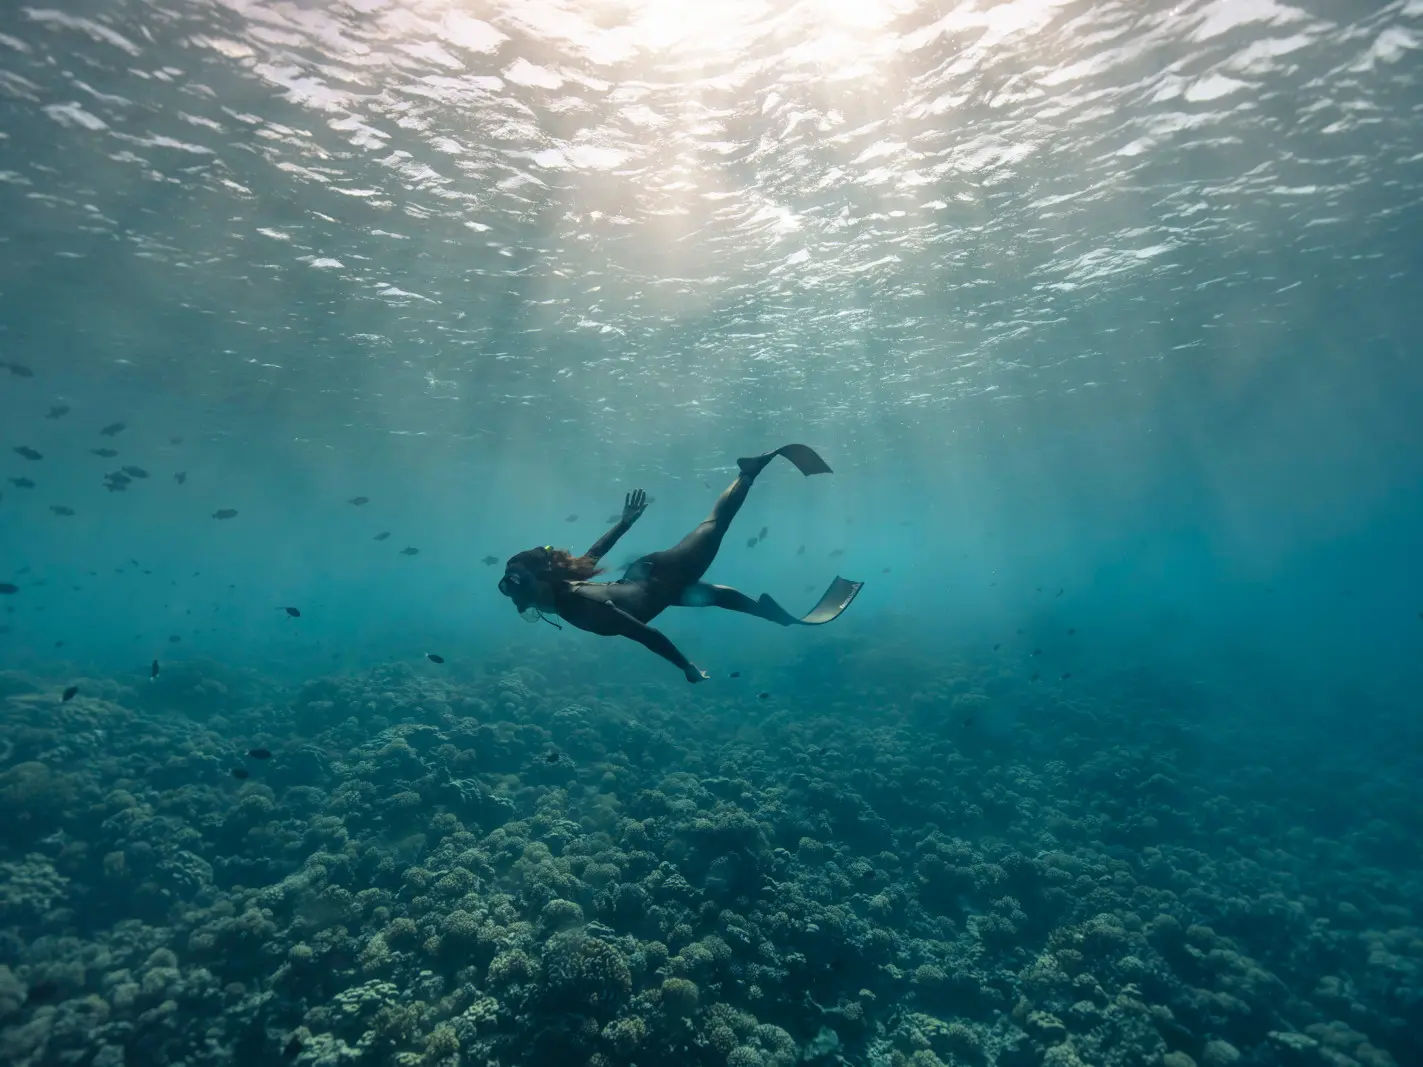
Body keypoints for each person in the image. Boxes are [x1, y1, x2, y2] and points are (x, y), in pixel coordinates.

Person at [498, 444, 863, 682]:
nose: (518, 602)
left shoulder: (580, 605)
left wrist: (686, 667)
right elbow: (592, 555)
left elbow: (646, 634)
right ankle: (767, 611)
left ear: (543, 580)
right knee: (712, 595)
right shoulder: (565, 591)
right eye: (515, 595)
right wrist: (624, 523)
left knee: (714, 525)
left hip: (662, 574)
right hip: (652, 585)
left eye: (522, 592)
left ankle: (749, 470)